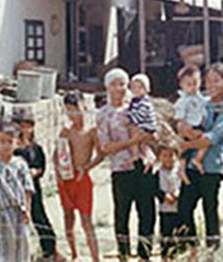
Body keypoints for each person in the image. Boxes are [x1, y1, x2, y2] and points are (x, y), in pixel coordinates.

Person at [97, 68, 156, 262]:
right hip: (121, 169)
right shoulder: (104, 114)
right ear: (107, 87)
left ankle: (144, 254)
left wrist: (146, 142)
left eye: (122, 84)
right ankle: (123, 254)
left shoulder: (138, 104)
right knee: (122, 213)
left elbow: (152, 132)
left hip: (144, 164)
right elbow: (106, 147)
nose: (119, 88)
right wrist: (130, 143)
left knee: (147, 210)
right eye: (114, 84)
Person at [177, 62, 223, 261]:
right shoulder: (199, 103)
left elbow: (210, 139)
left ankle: (211, 253)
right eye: (208, 81)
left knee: (210, 210)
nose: (212, 85)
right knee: (184, 208)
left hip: (211, 169)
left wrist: (185, 145)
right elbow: (183, 125)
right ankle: (192, 250)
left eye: (216, 80)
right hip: (192, 166)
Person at [55, 90, 104, 262]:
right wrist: (58, 173)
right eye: (68, 111)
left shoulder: (91, 131)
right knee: (68, 218)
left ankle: (95, 258)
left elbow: (100, 155)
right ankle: (74, 254)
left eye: (75, 109)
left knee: (86, 220)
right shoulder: (66, 132)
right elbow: (57, 154)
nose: (72, 115)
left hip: (82, 179)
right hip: (67, 179)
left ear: (84, 106)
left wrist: (86, 167)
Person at [13, 110, 63, 262]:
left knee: (39, 218)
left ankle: (49, 249)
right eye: (22, 126)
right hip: (16, 188)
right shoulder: (13, 147)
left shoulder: (36, 148)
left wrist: (34, 172)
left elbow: (42, 167)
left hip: (33, 188)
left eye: (28, 126)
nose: (25, 129)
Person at [0, 122, 34, 262]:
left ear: (16, 143)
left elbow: (27, 189)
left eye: (10, 142)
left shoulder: (21, 165)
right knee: (4, 245)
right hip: (1, 212)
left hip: (19, 211)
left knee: (22, 243)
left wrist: (28, 210)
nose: (6, 145)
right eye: (2, 142)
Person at [174, 65, 208, 184]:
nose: (193, 87)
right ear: (182, 85)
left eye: (195, 83)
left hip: (198, 124)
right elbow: (179, 116)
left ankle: (197, 160)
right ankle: (181, 169)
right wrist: (183, 126)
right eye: (189, 84)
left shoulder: (200, 97)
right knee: (185, 149)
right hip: (189, 125)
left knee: (204, 141)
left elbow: (205, 107)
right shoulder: (183, 100)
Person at [153, 141, 182, 262]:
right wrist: (165, 196)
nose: (168, 159)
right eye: (164, 155)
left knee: (180, 235)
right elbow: (155, 189)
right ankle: (165, 257)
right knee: (166, 234)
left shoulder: (180, 170)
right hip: (165, 208)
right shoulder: (157, 173)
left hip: (179, 208)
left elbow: (185, 185)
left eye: (171, 155)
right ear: (159, 157)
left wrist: (178, 193)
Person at [126, 73, 158, 165]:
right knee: (143, 144)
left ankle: (135, 154)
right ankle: (147, 156)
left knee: (134, 133)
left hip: (147, 125)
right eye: (134, 87)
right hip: (142, 124)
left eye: (139, 87)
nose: (136, 90)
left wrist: (130, 119)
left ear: (146, 89)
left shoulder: (144, 102)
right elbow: (131, 110)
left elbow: (140, 116)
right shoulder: (135, 100)